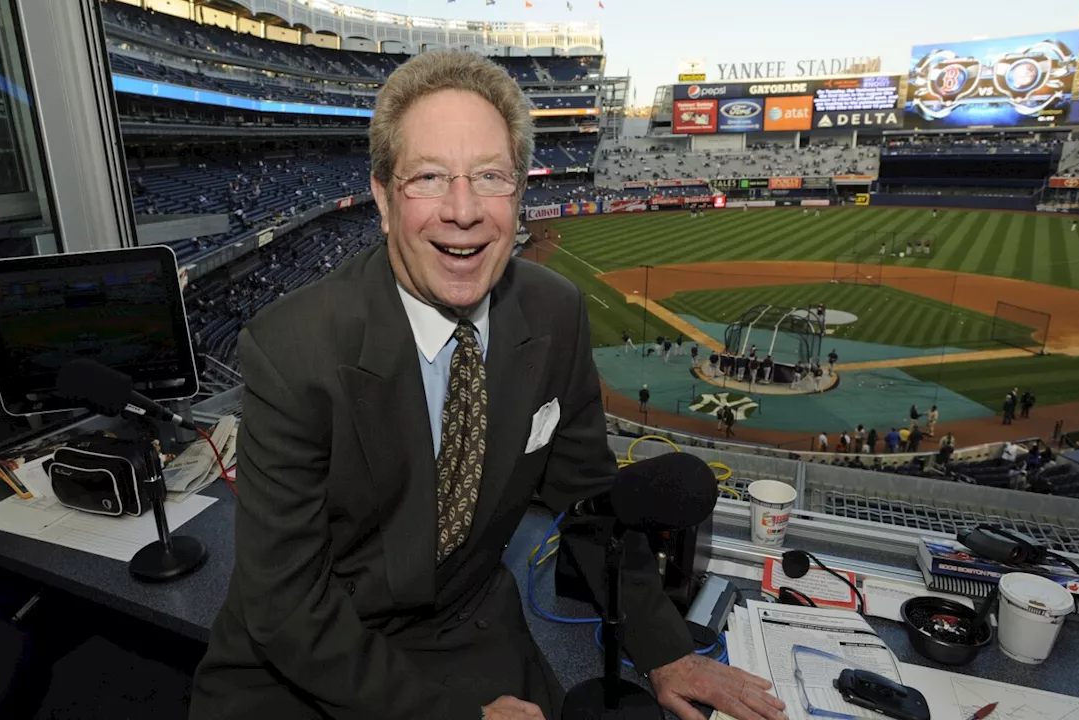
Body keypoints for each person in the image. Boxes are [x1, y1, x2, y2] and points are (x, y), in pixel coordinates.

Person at [190, 52, 784, 720]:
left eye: (490, 177)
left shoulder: (556, 313)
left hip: (465, 628)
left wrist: (663, 648)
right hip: (308, 658)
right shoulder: (292, 350)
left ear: (518, 193)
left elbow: (589, 503)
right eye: (430, 178)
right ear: (384, 198)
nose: (464, 211)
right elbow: (288, 608)